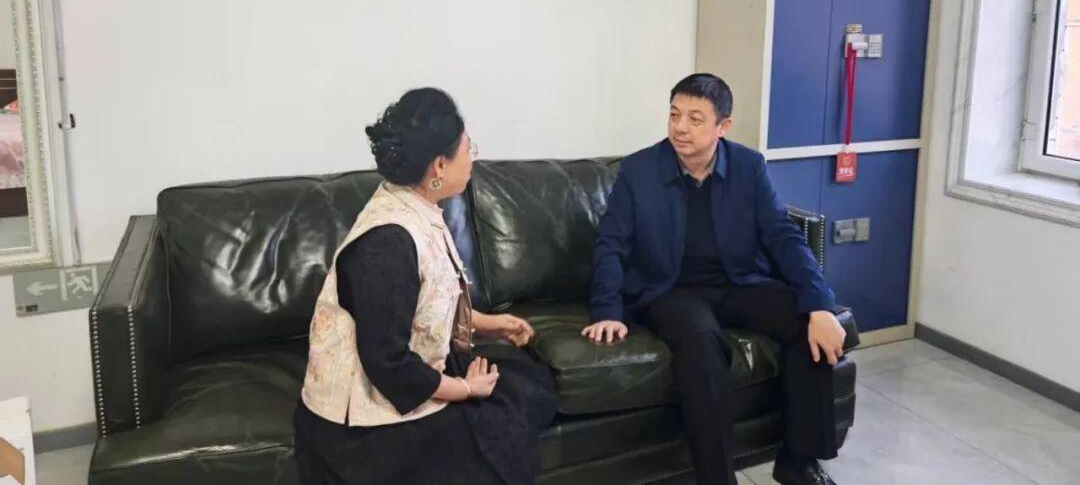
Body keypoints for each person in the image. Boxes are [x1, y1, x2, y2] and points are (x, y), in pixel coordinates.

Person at [582, 74, 847, 485]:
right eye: (674, 115)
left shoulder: (748, 166)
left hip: (738, 282)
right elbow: (611, 244)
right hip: (670, 289)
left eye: (695, 118)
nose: (680, 127)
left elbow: (783, 236)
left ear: (723, 126)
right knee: (701, 341)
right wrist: (607, 310)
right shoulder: (639, 170)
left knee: (807, 322)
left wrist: (820, 305)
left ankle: (798, 461)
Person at [294, 87, 558, 485]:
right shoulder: (387, 243)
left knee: (528, 385)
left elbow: (425, 301)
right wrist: (465, 388)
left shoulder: (415, 205)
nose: (473, 158)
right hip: (368, 422)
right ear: (439, 166)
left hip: (406, 375)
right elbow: (388, 363)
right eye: (468, 149)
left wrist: (487, 323)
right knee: (497, 437)